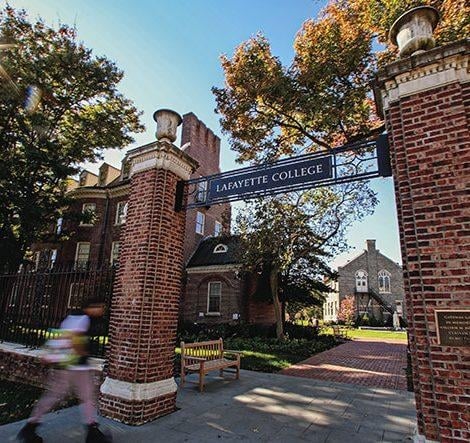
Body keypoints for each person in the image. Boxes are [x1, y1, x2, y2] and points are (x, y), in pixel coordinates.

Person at [18, 299, 111, 443]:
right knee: (87, 398)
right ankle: (93, 434)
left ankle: (30, 427)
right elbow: (75, 339)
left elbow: (63, 335)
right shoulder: (83, 318)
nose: (102, 310)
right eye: (100, 307)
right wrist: (83, 354)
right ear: (92, 307)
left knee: (53, 396)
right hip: (76, 366)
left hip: (65, 365)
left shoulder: (72, 316)